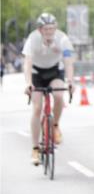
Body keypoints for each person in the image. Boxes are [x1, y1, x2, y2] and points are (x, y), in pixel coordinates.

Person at [22, 13, 74, 165]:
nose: (49, 32)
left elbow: (68, 62)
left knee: (59, 96)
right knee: (37, 108)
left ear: (55, 28)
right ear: (40, 30)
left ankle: (55, 125)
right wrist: (28, 83)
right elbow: (28, 62)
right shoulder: (32, 39)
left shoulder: (63, 39)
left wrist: (70, 81)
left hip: (54, 71)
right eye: (46, 29)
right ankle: (35, 148)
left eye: (52, 29)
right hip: (36, 73)